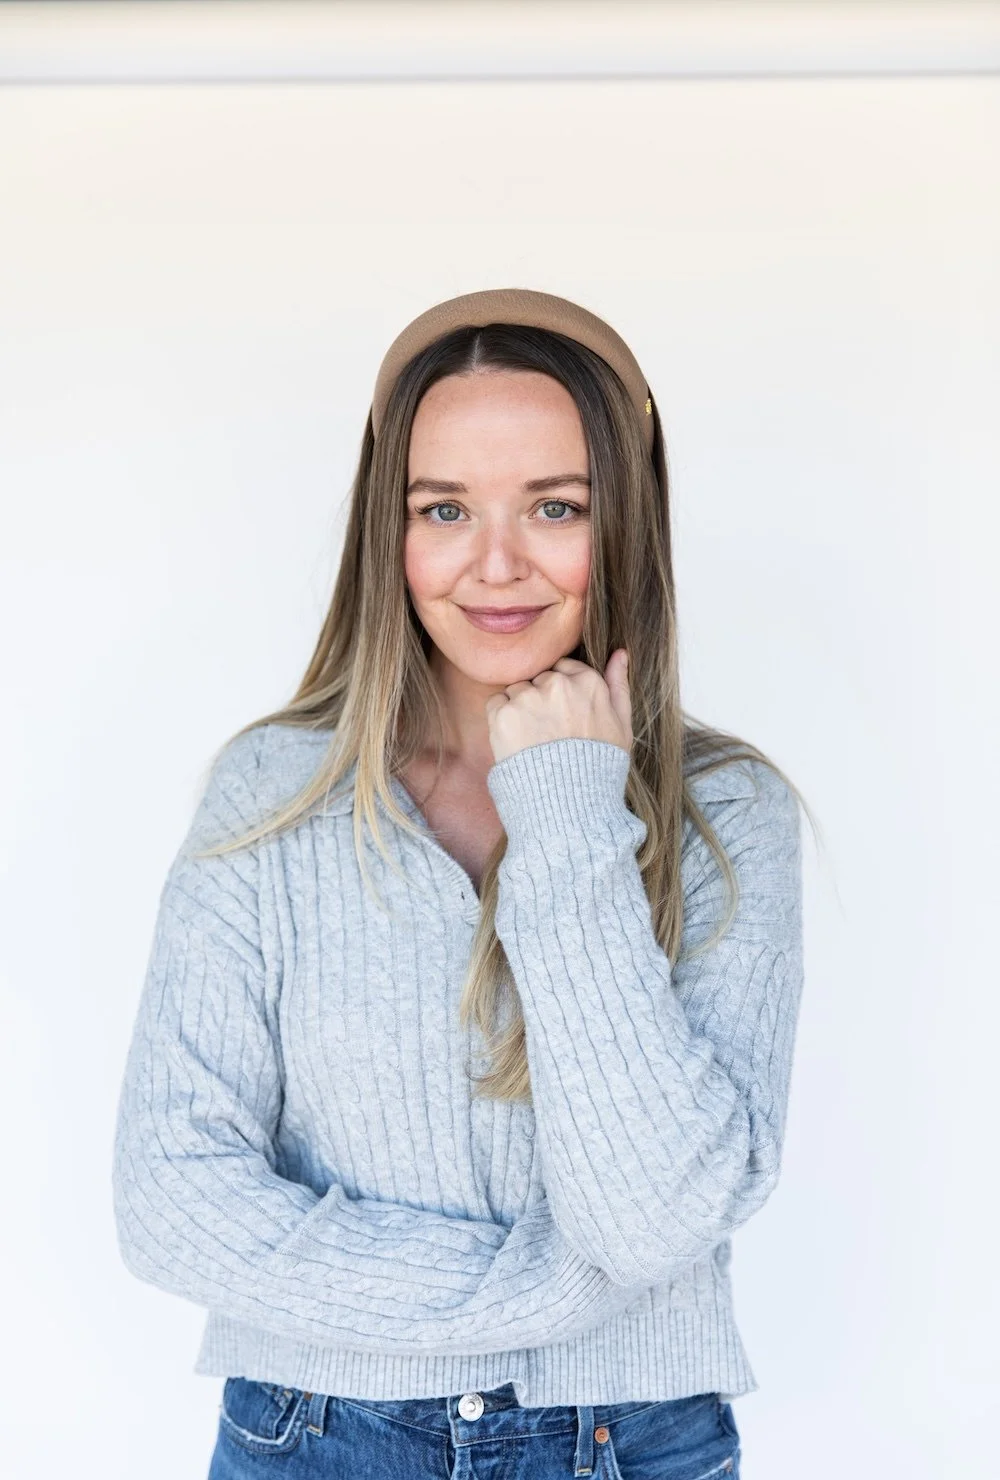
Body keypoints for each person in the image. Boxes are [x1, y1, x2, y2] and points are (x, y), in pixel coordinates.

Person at [112, 287, 808, 1479]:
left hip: (629, 1444)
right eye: (444, 508)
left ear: (627, 524)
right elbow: (172, 1199)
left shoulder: (724, 813)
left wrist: (574, 812)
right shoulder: (273, 793)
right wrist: (546, 1291)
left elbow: (655, 1216)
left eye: (555, 507)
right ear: (390, 532)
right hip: (317, 1436)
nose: (496, 564)